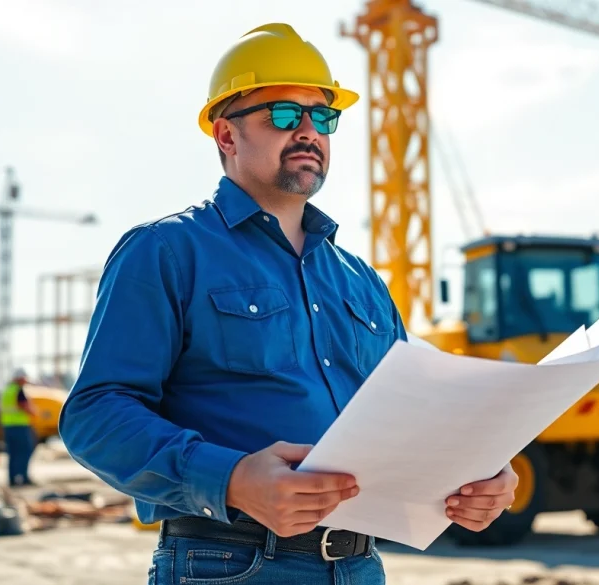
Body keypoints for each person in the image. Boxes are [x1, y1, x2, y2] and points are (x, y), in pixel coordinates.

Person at [58, 23, 517, 584]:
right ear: (226, 136)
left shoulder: (361, 281)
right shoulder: (166, 252)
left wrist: (484, 473)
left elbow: (418, 414)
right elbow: (95, 415)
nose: (308, 131)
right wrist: (230, 478)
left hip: (360, 565)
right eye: (282, 114)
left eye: (323, 117)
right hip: (229, 564)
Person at [0, 367, 37, 486]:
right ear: (20, 378)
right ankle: (23, 478)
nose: (25, 382)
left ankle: (12, 479)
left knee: (12, 453)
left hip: (8, 427)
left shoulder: (6, 390)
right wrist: (34, 412)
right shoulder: (18, 390)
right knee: (25, 452)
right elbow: (24, 406)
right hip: (19, 426)